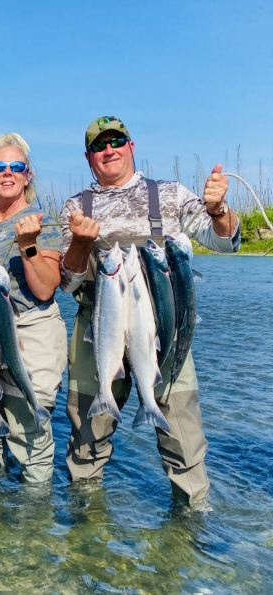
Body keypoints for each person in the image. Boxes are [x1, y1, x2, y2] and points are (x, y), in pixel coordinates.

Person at [59, 115, 240, 507]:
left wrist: (218, 209)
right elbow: (68, 282)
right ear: (89, 157)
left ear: (131, 146)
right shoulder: (76, 207)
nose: (109, 150)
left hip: (163, 330)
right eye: (99, 146)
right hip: (99, 328)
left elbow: (225, 243)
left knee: (184, 441)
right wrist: (78, 243)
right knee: (85, 442)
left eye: (116, 141)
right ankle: (83, 525)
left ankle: (192, 527)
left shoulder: (171, 194)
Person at [0, 133, 66, 483]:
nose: (8, 173)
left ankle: (35, 527)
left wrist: (28, 246)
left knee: (30, 436)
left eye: (16, 167)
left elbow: (45, 287)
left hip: (29, 331)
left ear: (28, 175)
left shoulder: (43, 222)